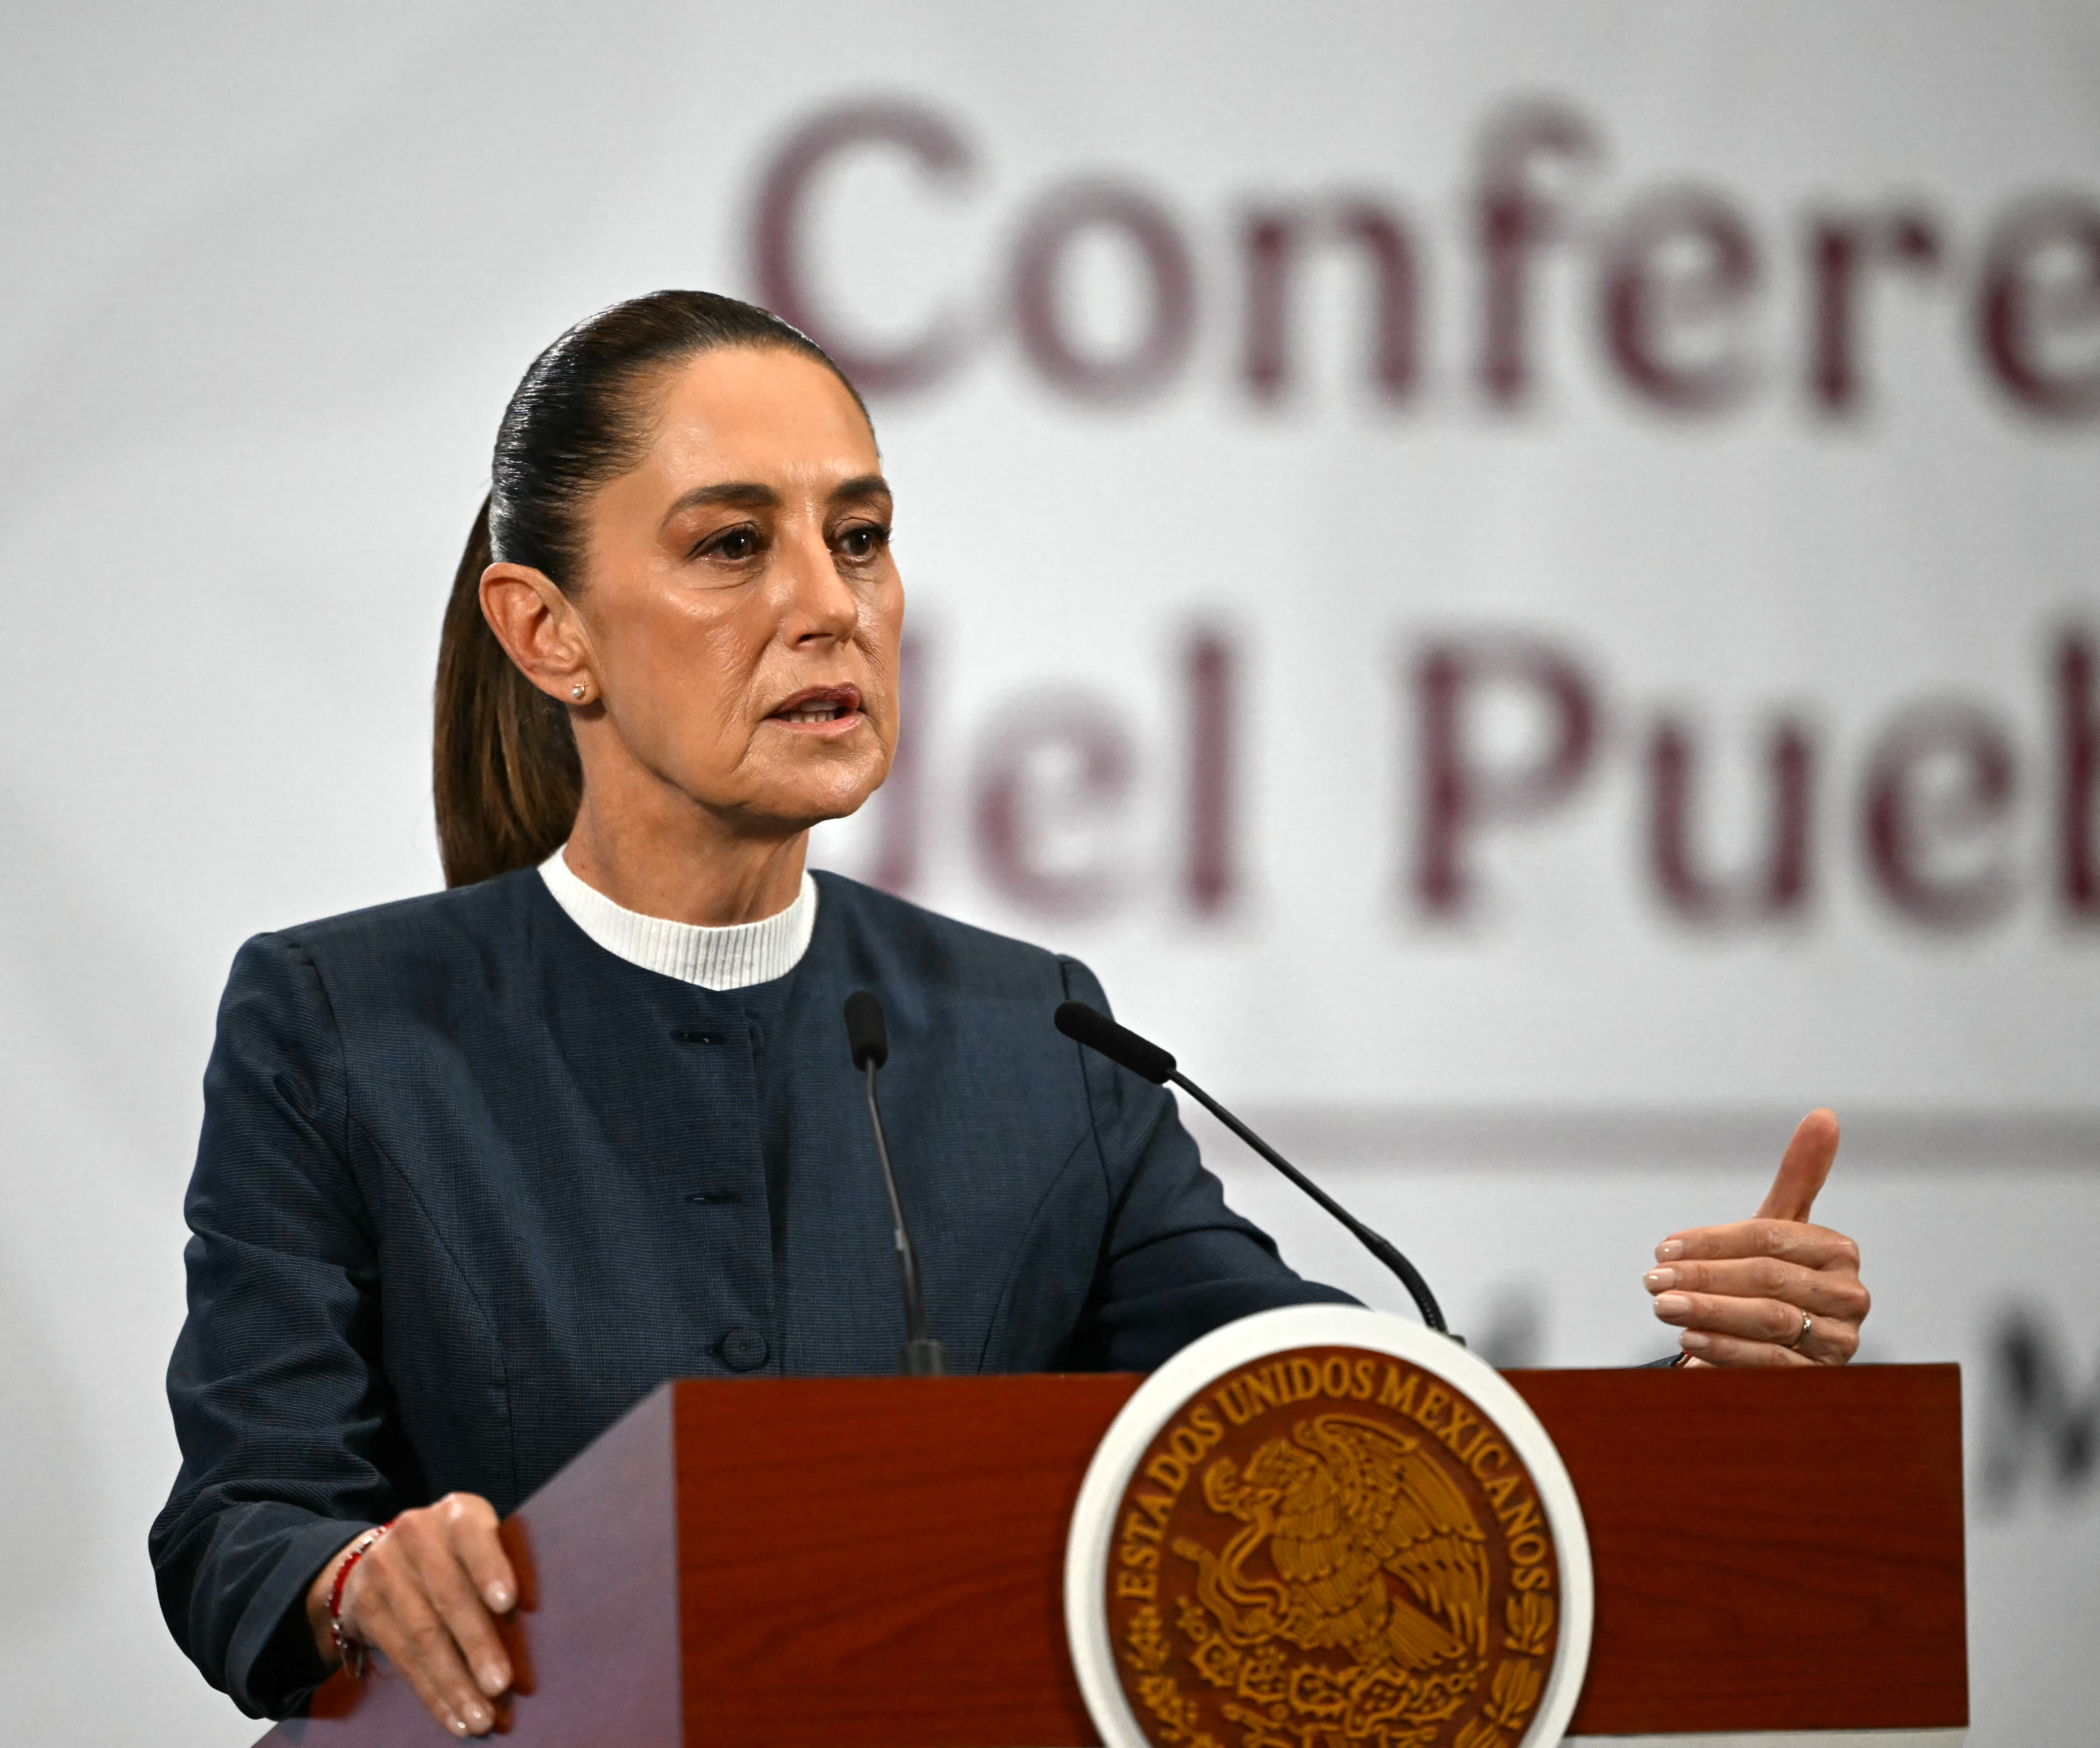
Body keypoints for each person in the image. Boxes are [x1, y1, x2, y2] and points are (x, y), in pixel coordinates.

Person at [148, 291, 1873, 1738]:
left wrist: (1693, 1398)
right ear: (548, 633)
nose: (828, 603)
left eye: (861, 538)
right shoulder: (345, 1024)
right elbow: (241, 1512)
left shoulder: (1030, 1041)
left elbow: (1326, 1423)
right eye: (733, 545)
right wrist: (356, 1576)